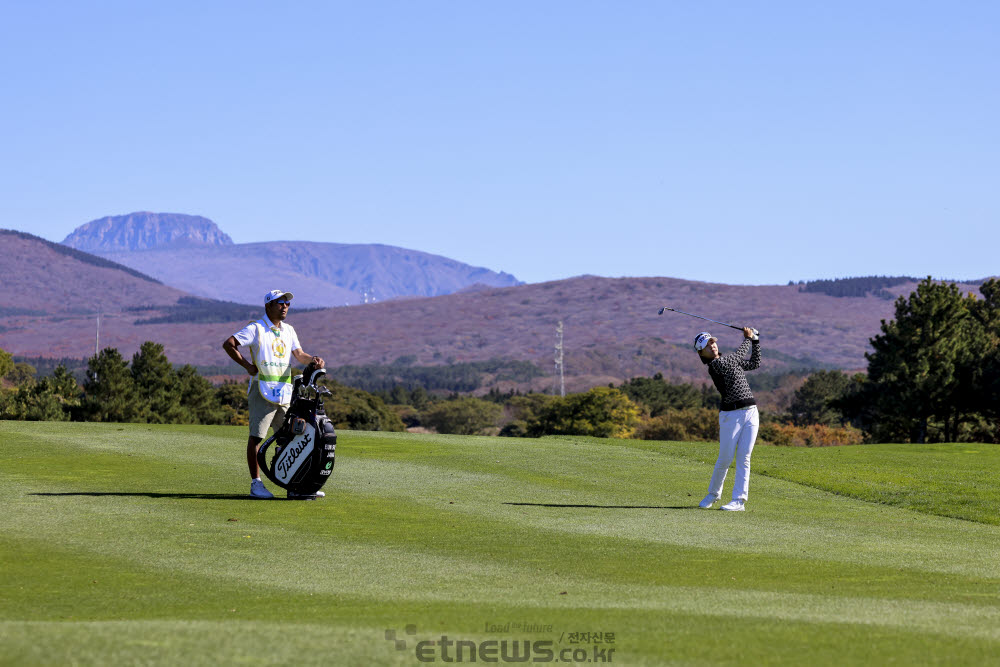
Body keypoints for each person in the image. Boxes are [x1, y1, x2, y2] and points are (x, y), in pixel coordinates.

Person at [223, 290, 326, 499]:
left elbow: (299, 354)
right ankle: (256, 484)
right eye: (280, 303)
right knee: (257, 437)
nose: (285, 306)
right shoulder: (256, 328)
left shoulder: (289, 330)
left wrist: (313, 360)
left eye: (287, 303)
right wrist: (247, 366)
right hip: (262, 391)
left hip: (283, 392)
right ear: (268, 306)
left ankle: (294, 483)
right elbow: (229, 344)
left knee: (289, 438)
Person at [695, 326, 761, 511]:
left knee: (744, 457)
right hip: (730, 416)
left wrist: (755, 341)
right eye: (708, 346)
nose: (713, 346)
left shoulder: (729, 361)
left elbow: (755, 363)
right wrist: (748, 339)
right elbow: (737, 357)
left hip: (751, 412)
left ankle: (739, 500)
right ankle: (713, 494)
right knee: (725, 458)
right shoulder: (716, 365)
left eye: (713, 342)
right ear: (702, 353)